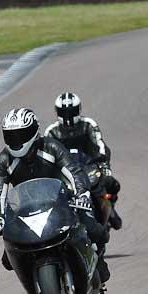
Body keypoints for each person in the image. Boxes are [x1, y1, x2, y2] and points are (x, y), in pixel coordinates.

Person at [0, 107, 110, 282]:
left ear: (34, 131)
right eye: (11, 136)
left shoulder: (51, 147)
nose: (16, 140)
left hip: (61, 201)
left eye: (21, 134)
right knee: (8, 258)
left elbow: (73, 171)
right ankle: (35, 282)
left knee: (94, 230)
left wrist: (81, 194)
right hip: (25, 209)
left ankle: (97, 263)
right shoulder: (4, 160)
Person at [44, 91, 122, 229]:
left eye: (71, 111)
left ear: (78, 110)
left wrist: (104, 166)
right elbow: (46, 156)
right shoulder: (51, 132)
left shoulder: (88, 125)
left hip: (89, 167)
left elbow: (100, 146)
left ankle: (109, 208)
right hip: (65, 172)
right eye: (64, 112)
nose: (68, 116)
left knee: (112, 183)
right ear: (58, 112)